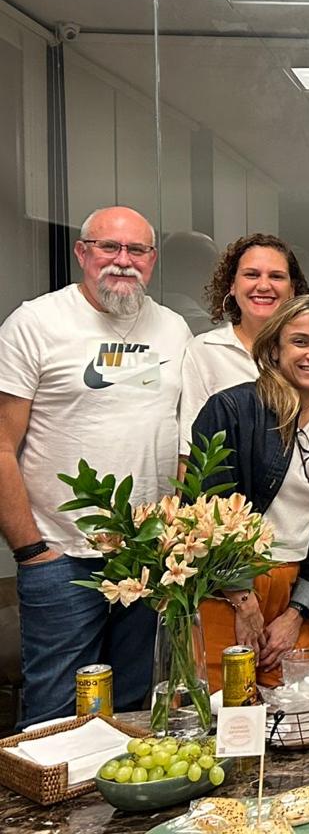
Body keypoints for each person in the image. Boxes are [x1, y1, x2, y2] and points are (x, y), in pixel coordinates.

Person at [0, 206, 191, 727]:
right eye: (109, 247)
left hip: (148, 557)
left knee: (136, 710)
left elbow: (179, 440)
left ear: (152, 259)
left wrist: (173, 534)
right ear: (82, 253)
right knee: (55, 716)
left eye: (137, 250)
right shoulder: (35, 323)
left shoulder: (173, 329)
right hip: (63, 557)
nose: (123, 261)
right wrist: (32, 551)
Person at [191, 295, 309, 690]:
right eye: (300, 341)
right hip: (226, 586)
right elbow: (206, 511)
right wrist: (243, 601)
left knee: (293, 707)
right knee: (223, 707)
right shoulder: (230, 410)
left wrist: (297, 613)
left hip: (295, 591)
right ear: (275, 348)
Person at [179, 234, 309, 452]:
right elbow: (190, 450)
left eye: (276, 276)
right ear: (232, 285)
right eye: (252, 275)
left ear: (292, 289)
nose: (264, 285)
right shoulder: (206, 351)